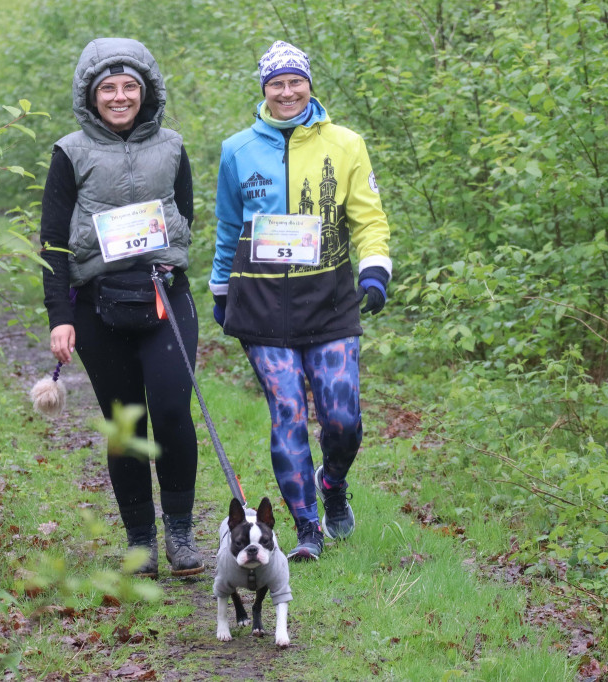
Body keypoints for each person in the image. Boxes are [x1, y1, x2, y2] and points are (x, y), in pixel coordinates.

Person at [209, 40, 392, 561]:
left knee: (342, 418)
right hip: (262, 302)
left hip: (330, 300)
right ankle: (307, 529)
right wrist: (222, 289)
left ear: (309, 85)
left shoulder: (346, 143)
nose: (287, 92)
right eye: (276, 84)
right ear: (263, 89)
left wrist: (375, 269)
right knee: (287, 410)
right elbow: (227, 226)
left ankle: (332, 482)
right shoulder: (237, 149)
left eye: (296, 82)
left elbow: (370, 218)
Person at [40, 38, 203, 578]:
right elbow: (53, 245)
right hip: (96, 307)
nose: (119, 96)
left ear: (146, 90)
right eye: (107, 88)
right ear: (90, 94)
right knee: (124, 422)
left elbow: (186, 214)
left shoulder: (174, 146)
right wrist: (60, 317)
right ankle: (141, 542)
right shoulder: (70, 152)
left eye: (129, 86)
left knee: (173, 408)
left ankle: (181, 534)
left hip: (164, 295)